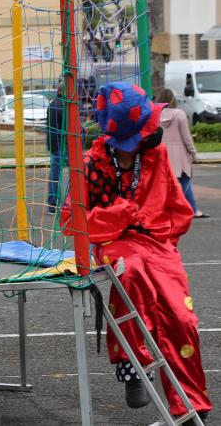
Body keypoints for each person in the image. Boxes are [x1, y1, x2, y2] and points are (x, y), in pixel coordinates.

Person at [61, 82, 211, 421]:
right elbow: (72, 221)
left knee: (181, 316)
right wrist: (120, 215)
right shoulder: (91, 164)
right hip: (114, 241)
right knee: (132, 273)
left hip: (158, 242)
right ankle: (132, 364)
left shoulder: (155, 156)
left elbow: (177, 208)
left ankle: (190, 405)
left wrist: (159, 236)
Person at [156, 88, 208, 218]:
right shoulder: (180, 114)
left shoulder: (156, 114)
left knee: (162, 183)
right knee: (185, 181)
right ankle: (193, 209)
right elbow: (186, 137)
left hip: (161, 153)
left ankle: (163, 210)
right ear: (173, 99)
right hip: (180, 154)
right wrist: (193, 152)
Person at [46, 83, 67, 213]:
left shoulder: (54, 104)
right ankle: (78, 201)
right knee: (79, 173)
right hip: (63, 146)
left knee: (54, 176)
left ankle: (53, 204)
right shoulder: (61, 105)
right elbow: (65, 126)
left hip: (58, 145)